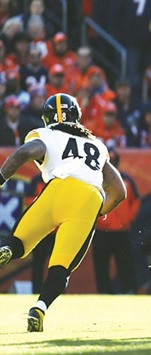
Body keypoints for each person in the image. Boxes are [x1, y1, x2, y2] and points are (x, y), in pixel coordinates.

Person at [0, 93, 127, 332]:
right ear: (77, 116)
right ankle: (40, 307)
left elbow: (23, 153)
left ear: (47, 118)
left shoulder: (45, 134)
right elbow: (119, 192)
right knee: (61, 267)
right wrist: (93, 213)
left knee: (18, 242)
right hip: (89, 196)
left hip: (57, 188)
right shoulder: (96, 145)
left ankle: (7, 250)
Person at [92, 148, 140, 294]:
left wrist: (127, 219)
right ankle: (104, 292)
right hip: (102, 230)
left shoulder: (126, 180)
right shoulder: (95, 179)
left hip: (121, 231)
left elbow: (136, 201)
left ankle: (128, 290)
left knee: (125, 263)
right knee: (101, 265)